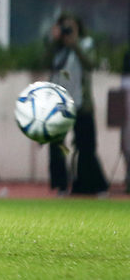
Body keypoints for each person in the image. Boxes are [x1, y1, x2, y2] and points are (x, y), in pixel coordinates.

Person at [46, 13, 109, 195]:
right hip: (60, 104)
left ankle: (91, 185)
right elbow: (44, 62)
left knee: (86, 147)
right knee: (56, 145)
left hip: (82, 104)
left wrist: (74, 44)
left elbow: (90, 64)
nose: (67, 31)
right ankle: (61, 184)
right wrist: (54, 40)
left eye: (70, 27)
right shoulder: (57, 49)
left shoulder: (86, 44)